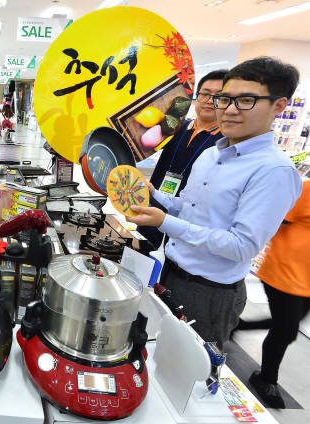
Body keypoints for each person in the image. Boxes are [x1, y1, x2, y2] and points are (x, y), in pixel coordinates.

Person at [126, 57, 303, 349]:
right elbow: (190, 206)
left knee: (193, 371)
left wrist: (164, 221)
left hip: (210, 293)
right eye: (224, 99)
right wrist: (156, 194)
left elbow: (241, 246)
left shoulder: (274, 171)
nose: (230, 110)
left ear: (279, 106)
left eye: (246, 100)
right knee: (157, 352)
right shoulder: (212, 154)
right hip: (171, 272)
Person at [138, 70, 227, 249]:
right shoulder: (175, 126)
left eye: (219, 96)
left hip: (187, 226)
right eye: (205, 94)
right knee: (141, 257)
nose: (210, 101)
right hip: (152, 207)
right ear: (197, 96)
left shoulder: (225, 143)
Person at [243, 178, 310, 408]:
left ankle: (238, 325)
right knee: (286, 330)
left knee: (288, 325)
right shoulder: (306, 189)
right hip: (284, 273)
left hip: (306, 280)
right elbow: (275, 217)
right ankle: (266, 379)